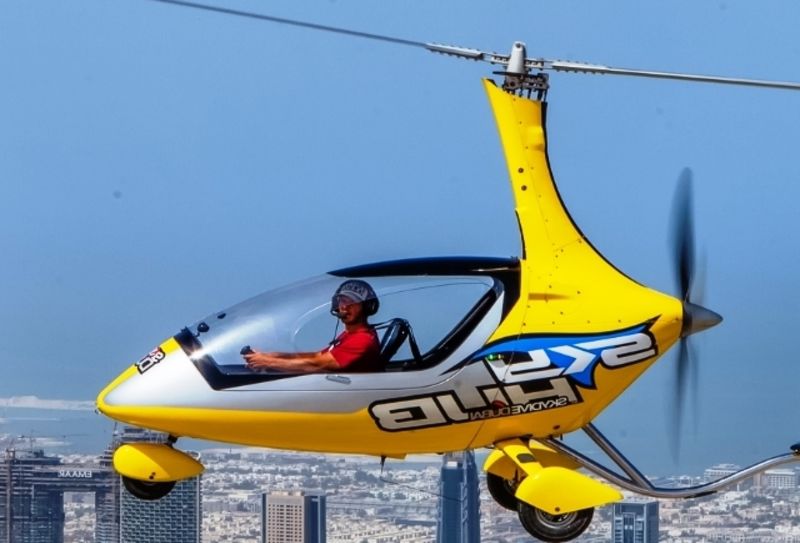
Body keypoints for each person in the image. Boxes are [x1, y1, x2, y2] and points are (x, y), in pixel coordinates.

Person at [243, 279, 380, 373]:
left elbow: (317, 364)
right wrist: (273, 356)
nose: (344, 307)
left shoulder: (362, 340)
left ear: (367, 307)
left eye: (352, 303)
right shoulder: (349, 336)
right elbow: (316, 356)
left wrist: (267, 363)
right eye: (342, 301)